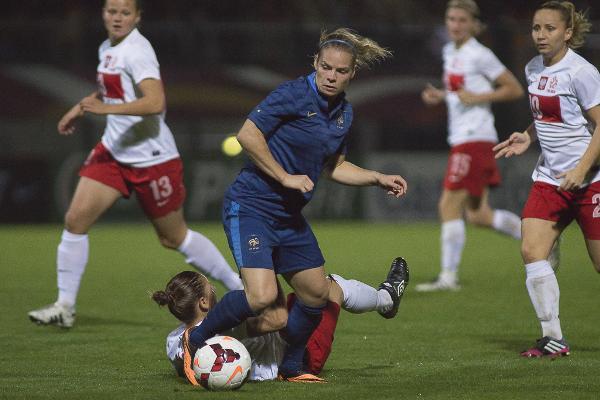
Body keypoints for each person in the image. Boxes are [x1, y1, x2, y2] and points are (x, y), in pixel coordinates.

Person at [180, 27, 408, 383]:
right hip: (251, 206)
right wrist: (285, 177)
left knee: (316, 293)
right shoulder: (292, 94)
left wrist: (377, 177)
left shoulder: (344, 114)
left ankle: (292, 366)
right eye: (326, 67)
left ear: (352, 74)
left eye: (341, 71)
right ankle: (194, 340)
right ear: (315, 63)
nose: (332, 76)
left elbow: (334, 167)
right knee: (261, 297)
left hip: (288, 217)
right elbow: (247, 135)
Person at [28, 0, 242, 329]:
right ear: (103, 14)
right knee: (75, 220)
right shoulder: (107, 47)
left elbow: (155, 102)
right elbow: (111, 92)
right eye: (112, 11)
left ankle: (237, 285)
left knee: (174, 238)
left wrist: (103, 111)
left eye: (125, 12)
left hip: (152, 158)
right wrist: (84, 106)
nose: (117, 18)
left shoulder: (138, 50)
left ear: (137, 17)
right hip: (114, 152)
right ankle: (65, 305)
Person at [494, 1, 599, 357]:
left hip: (590, 182)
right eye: (536, 28)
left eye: (549, 28)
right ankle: (553, 338)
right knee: (531, 250)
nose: (540, 35)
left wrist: (582, 169)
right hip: (550, 179)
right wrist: (528, 135)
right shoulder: (532, 67)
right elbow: (547, 117)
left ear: (568, 33)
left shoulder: (581, 72)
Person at [153, 259, 408, 383]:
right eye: (210, 288)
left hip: (268, 355)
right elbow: (276, 321)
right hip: (299, 354)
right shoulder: (230, 322)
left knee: (300, 295)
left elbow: (185, 362)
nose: (214, 290)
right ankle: (387, 297)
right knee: (330, 287)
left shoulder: (174, 341)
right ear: (203, 303)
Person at [416, 0, 525, 292]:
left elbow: (514, 88)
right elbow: (458, 91)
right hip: (463, 138)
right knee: (479, 216)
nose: (455, 24)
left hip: (475, 138)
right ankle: (537, 237)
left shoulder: (480, 54)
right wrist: (441, 96)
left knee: (448, 205)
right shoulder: (450, 51)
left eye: (462, 20)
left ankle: (448, 278)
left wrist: (477, 98)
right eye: (451, 19)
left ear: (474, 24)